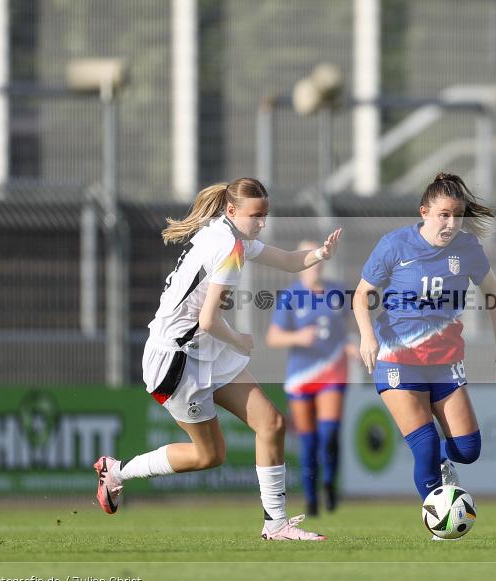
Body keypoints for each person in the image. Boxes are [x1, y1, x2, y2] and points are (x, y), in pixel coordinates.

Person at [93, 177, 342, 541]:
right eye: (255, 216)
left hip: (204, 349)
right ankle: (117, 471)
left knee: (271, 423)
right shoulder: (229, 247)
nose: (261, 223)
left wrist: (320, 254)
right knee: (208, 456)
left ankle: (276, 525)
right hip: (174, 360)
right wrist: (240, 339)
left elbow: (288, 261)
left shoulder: (229, 235)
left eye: (265, 215)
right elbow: (208, 320)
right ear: (231, 211)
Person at [352, 172, 496, 537]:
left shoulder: (468, 249)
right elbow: (361, 294)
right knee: (426, 445)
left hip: (444, 363)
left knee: (467, 449)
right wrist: (367, 335)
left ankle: (444, 469)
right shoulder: (395, 245)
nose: (450, 222)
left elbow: (494, 294)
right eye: (443, 214)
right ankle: (439, 522)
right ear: (424, 211)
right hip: (397, 359)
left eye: (457, 215)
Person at [266, 240, 357, 516]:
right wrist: (298, 337)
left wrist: (354, 342)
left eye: (316, 257)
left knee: (329, 433)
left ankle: (329, 483)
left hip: (332, 370)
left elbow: (352, 325)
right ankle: (311, 499)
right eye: (307, 258)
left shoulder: (338, 291)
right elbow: (273, 337)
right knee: (308, 440)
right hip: (301, 375)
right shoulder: (291, 296)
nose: (313, 264)